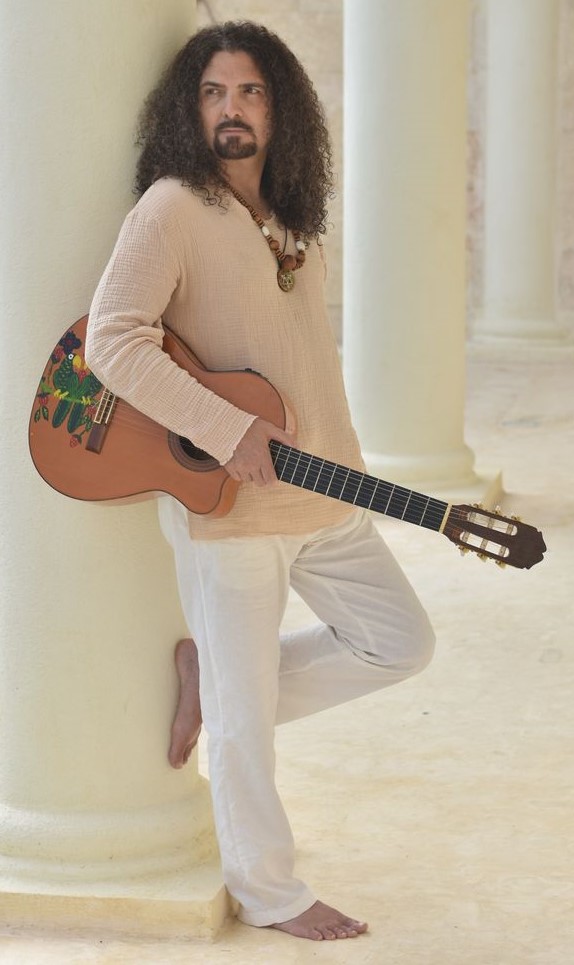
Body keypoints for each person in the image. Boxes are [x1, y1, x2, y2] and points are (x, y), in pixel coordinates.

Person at [86, 20, 435, 942]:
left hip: (329, 493)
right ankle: (270, 890)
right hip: (230, 507)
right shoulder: (169, 207)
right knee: (245, 724)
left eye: (248, 92)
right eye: (212, 94)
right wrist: (224, 426)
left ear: (279, 107)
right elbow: (112, 339)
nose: (230, 111)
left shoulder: (292, 217)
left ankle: (219, 681)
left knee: (400, 642)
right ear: (188, 110)